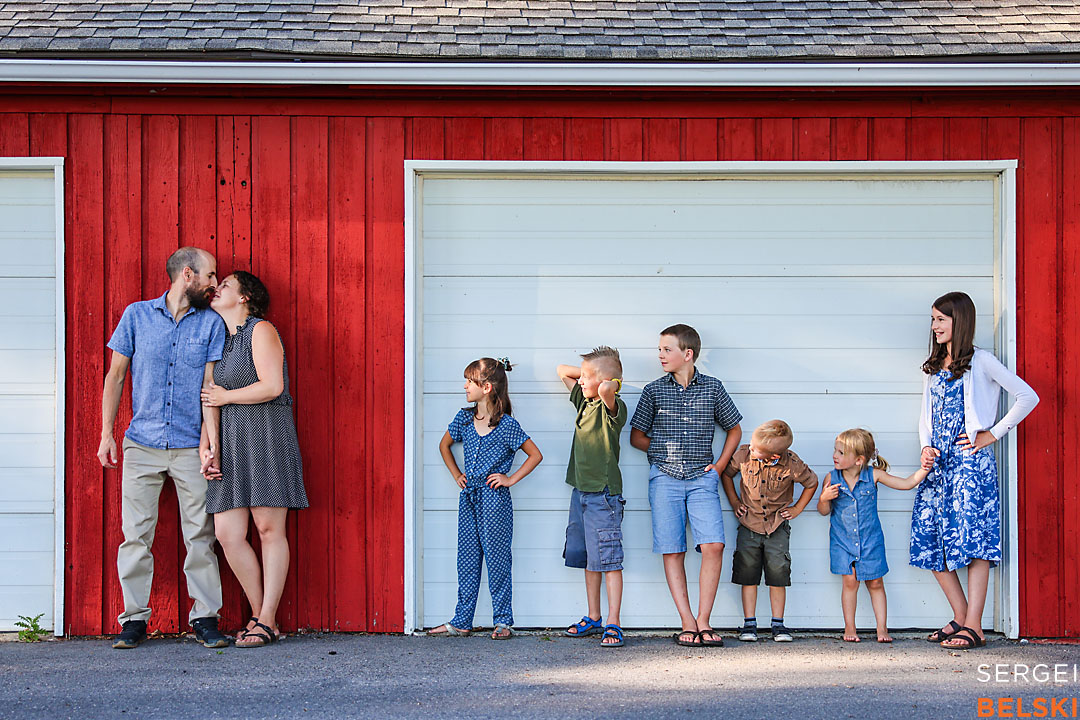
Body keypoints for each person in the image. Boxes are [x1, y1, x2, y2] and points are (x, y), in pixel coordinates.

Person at [97, 246, 229, 650]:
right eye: (209, 275)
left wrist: (211, 445)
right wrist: (106, 434)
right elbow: (115, 376)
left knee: (201, 535)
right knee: (135, 536)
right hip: (142, 443)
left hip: (190, 445)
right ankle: (134, 620)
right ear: (187, 274)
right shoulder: (136, 316)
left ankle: (205, 617)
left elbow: (209, 388)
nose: (214, 283)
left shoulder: (212, 324)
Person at [911, 291, 1039, 650]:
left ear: (960, 321)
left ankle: (974, 625)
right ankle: (962, 617)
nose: (934, 326)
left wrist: (992, 434)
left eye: (941, 319)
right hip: (938, 465)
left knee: (974, 541)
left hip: (970, 465)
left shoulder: (981, 361)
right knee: (931, 539)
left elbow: (1027, 396)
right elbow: (925, 415)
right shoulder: (933, 366)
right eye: (933, 319)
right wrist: (925, 446)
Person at [199, 271, 308, 648]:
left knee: (268, 529)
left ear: (245, 297)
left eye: (226, 285)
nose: (217, 289)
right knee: (227, 534)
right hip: (229, 442)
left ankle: (264, 619)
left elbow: (273, 386)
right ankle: (264, 617)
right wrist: (206, 446)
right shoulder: (220, 341)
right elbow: (209, 398)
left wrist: (227, 397)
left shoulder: (261, 330)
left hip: (265, 436)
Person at [630, 324, 742, 647]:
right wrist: (662, 451)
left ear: (687, 354)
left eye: (667, 350)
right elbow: (636, 436)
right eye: (660, 350)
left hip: (701, 479)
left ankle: (705, 620)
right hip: (664, 478)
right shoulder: (653, 391)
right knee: (672, 548)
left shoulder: (713, 388)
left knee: (713, 545)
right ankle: (688, 622)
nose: (661, 355)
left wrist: (718, 467)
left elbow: (734, 429)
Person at [427, 358, 543, 640]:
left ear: (487, 387)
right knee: (467, 558)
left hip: (494, 500)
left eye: (470, 381)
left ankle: (503, 621)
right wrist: (457, 474)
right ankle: (462, 621)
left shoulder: (506, 425)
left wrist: (509, 479)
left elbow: (535, 455)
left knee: (497, 558)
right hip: (469, 497)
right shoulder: (464, 419)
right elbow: (444, 445)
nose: (465, 386)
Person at [817, 428, 929, 643]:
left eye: (841, 452)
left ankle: (882, 628)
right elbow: (823, 511)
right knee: (850, 582)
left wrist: (924, 469)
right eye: (835, 450)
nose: (834, 456)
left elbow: (906, 484)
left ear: (859, 460)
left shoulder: (874, 475)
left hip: (871, 541)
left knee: (875, 582)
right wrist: (824, 498)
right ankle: (850, 627)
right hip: (842, 542)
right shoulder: (832, 478)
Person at [557, 347, 629, 648]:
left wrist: (609, 381)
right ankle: (594, 616)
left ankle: (614, 622)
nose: (581, 381)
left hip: (603, 496)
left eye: (587, 378)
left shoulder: (613, 408)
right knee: (590, 558)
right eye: (582, 377)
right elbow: (562, 370)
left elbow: (608, 390)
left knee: (609, 560)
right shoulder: (583, 402)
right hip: (581, 493)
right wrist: (588, 373)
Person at [721, 419, 817, 643]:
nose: (751, 449)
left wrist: (797, 508)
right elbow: (726, 475)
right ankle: (749, 623)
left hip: (777, 527)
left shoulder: (792, 464)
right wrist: (734, 502)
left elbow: (811, 483)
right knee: (748, 575)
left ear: (773, 456)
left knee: (778, 575)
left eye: (756, 449)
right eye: (752, 444)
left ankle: (778, 624)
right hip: (749, 526)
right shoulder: (743, 455)